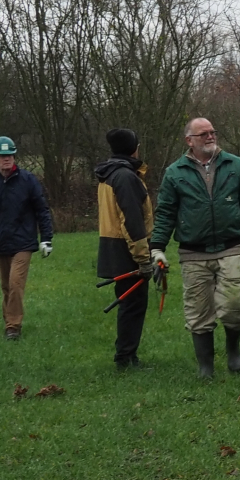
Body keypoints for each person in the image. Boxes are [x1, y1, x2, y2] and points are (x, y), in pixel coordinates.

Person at [150, 117, 240, 378]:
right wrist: (157, 248)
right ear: (189, 140)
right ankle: (206, 366)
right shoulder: (175, 172)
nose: (210, 137)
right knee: (199, 311)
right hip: (193, 252)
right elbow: (166, 213)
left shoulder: (234, 165)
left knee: (236, 304)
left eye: (212, 132)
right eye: (203, 134)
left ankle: (233, 349)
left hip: (230, 247)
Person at [95, 128, 157, 370]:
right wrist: (143, 258)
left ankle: (127, 355)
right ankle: (126, 358)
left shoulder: (109, 173)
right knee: (133, 306)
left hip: (112, 247)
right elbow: (131, 222)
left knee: (129, 304)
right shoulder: (125, 177)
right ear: (134, 149)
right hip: (127, 250)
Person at [0, 136, 53, 340]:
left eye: (10, 155)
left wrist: (46, 238)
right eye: (2, 156)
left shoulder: (28, 180)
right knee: (6, 287)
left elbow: (42, 210)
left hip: (23, 242)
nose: (7, 159)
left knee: (15, 284)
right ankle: (10, 322)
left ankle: (13, 326)